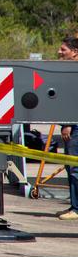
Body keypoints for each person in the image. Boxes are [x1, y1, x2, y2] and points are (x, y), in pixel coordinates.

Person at [57, 37, 78, 220]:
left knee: (74, 168)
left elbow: (73, 101)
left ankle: (76, 209)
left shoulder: (74, 73)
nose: (59, 52)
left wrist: (67, 124)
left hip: (75, 127)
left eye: (63, 49)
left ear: (75, 52)